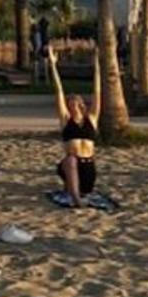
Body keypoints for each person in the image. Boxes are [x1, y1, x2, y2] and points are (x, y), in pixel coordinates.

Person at [48, 45, 101, 208]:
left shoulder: (91, 118)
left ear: (81, 104)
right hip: (71, 164)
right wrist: (53, 65)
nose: (71, 103)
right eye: (69, 101)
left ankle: (74, 190)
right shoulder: (66, 120)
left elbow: (97, 91)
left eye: (75, 101)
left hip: (88, 167)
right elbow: (59, 92)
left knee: (86, 187)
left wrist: (97, 64)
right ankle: (76, 199)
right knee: (70, 160)